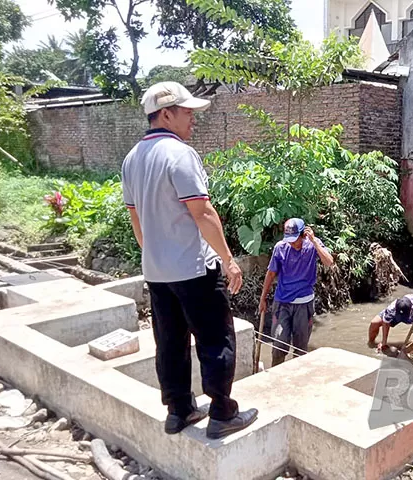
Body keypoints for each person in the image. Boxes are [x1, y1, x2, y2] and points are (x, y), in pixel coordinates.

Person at [121, 81, 257, 440]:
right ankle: (222, 412)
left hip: (157, 272)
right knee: (216, 339)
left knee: (170, 341)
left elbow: (136, 218)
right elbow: (203, 213)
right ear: (165, 114)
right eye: (186, 112)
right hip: (194, 269)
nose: (192, 119)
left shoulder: (133, 158)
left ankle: (179, 410)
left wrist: (153, 254)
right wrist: (228, 260)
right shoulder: (179, 154)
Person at [259, 218, 334, 367]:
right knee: (279, 345)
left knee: (300, 349)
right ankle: (276, 376)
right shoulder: (280, 247)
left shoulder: (312, 245)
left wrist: (314, 242)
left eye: (295, 240)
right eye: (289, 240)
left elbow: (329, 262)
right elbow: (271, 274)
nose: (292, 243)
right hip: (283, 303)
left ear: (303, 235)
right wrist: (263, 299)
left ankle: (297, 379)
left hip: (304, 304)